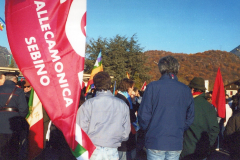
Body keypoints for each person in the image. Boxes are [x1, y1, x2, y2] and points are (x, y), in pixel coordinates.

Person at [138, 56, 195, 160]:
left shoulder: (152, 87)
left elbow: (143, 115)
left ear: (161, 68)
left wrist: (150, 129)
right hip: (175, 140)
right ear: (177, 68)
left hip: (155, 140)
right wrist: (180, 128)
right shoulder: (185, 89)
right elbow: (190, 116)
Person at [77, 71, 131, 160]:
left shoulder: (88, 105)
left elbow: (80, 130)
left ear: (95, 85)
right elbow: (125, 133)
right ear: (109, 84)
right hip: (112, 149)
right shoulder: (122, 105)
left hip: (92, 149)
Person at [180, 77, 220, 160]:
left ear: (192, 89)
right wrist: (208, 146)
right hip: (203, 150)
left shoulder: (187, 104)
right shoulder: (209, 107)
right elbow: (215, 129)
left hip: (186, 150)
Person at [0, 72, 29, 159]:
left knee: (1, 150)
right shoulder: (19, 91)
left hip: (1, 124)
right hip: (15, 125)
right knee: (13, 150)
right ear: (14, 79)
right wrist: (19, 119)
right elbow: (23, 109)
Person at [115, 78, 137, 160]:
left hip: (121, 138)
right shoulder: (123, 100)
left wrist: (133, 102)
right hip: (124, 139)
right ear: (128, 87)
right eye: (132, 88)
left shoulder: (120, 97)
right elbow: (131, 117)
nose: (133, 90)